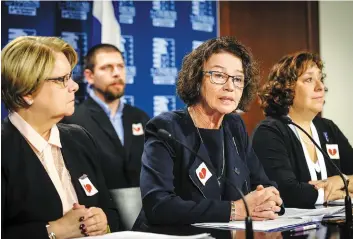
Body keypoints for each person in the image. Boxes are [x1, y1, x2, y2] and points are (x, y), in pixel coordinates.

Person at [133, 36, 284, 229]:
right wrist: (235, 210)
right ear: (196, 79)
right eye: (219, 76)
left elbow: (263, 183)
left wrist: (270, 199)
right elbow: (158, 205)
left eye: (238, 79)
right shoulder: (166, 128)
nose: (230, 86)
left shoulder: (234, 125)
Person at [1, 36, 120, 238]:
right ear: (27, 92)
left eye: (71, 77)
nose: (74, 86)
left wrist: (103, 222)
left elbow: (112, 214)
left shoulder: (79, 138)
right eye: (61, 79)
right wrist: (54, 231)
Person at [252, 51, 353, 208]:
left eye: (321, 79)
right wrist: (334, 193)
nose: (321, 87)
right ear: (287, 88)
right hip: (288, 231)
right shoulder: (269, 132)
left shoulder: (328, 128)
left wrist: (342, 180)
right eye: (309, 79)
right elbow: (286, 191)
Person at [63, 44, 150, 189]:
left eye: (120, 66)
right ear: (89, 76)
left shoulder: (140, 116)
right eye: (107, 67)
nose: (117, 73)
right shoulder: (74, 119)